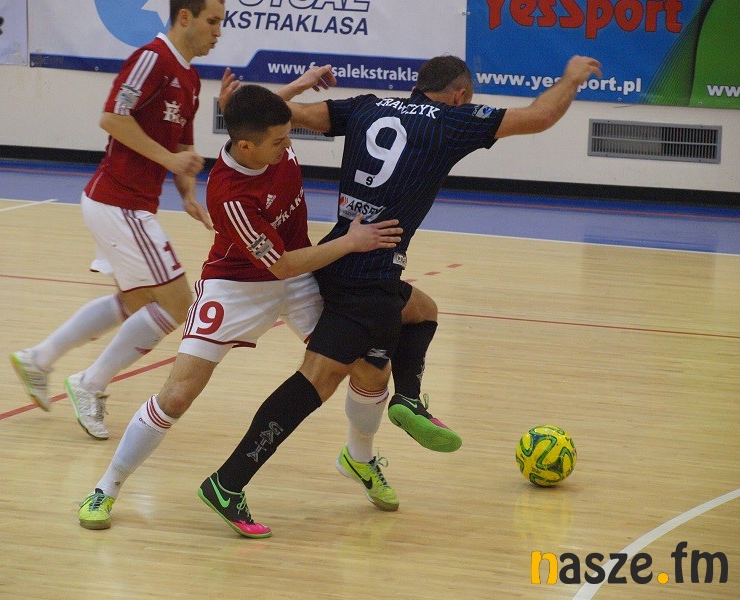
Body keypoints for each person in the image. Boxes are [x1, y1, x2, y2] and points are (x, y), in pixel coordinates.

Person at [197, 54, 603, 537]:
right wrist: (570, 78)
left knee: (419, 314)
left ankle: (403, 404)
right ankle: (229, 481)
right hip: (366, 274)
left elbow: (291, 115)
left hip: (347, 260)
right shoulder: (451, 123)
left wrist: (244, 104)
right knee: (317, 381)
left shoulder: (368, 106)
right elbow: (540, 116)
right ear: (459, 95)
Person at [76, 81, 403, 535]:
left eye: (287, 138)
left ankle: (359, 458)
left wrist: (297, 84)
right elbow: (281, 264)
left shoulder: (266, 139)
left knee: (368, 368)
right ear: (246, 146)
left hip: (299, 280)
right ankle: (106, 487)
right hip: (237, 286)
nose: (288, 148)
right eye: (279, 142)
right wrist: (351, 243)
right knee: (177, 395)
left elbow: (263, 110)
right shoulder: (229, 195)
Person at [9, 0, 236, 440]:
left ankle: (38, 359)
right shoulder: (151, 58)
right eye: (212, 21)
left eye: (221, 23)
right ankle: (90, 382)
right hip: (118, 203)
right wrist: (169, 159)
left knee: (136, 303)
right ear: (184, 17)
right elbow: (112, 118)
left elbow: (181, 146)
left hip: (129, 206)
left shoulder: (190, 78)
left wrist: (187, 192)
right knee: (178, 304)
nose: (218, 32)